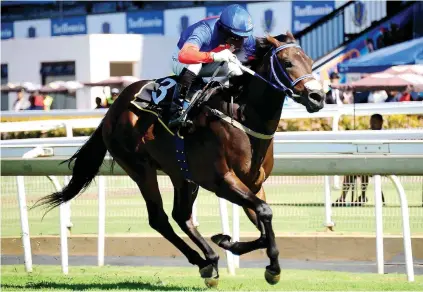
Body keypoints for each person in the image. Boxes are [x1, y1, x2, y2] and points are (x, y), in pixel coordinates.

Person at [169, 4, 256, 127]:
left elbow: (257, 57)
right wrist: (214, 56)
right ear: (224, 31)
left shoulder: (244, 36)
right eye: (237, 38)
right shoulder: (205, 30)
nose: (241, 42)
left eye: (244, 37)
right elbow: (184, 55)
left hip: (206, 62)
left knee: (238, 69)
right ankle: (176, 111)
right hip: (181, 61)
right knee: (195, 65)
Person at [333, 114, 385, 207]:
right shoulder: (367, 134)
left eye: (374, 122)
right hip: (366, 162)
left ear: (381, 123)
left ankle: (363, 196)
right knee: (350, 171)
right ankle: (342, 198)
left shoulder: (385, 135)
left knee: (363, 170)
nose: (372, 124)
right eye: (371, 122)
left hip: (379, 163)